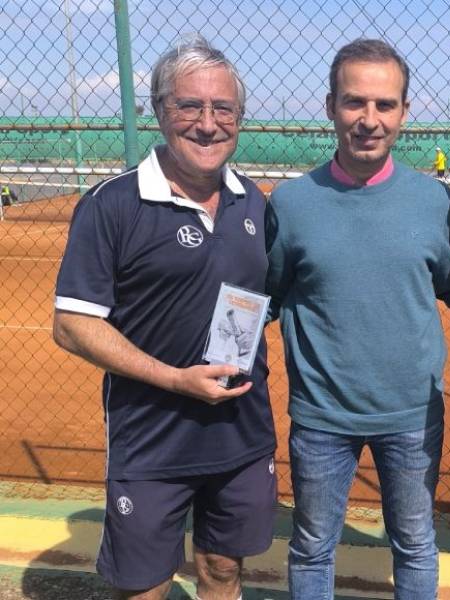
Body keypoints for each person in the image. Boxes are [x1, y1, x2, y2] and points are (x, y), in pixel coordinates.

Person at [52, 35, 277, 600]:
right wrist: (175, 379)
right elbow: (73, 325)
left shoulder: (254, 201)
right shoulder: (111, 204)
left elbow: (264, 298)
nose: (208, 124)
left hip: (240, 432)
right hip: (151, 440)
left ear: (239, 117)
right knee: (144, 588)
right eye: (189, 106)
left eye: (223, 108)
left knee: (223, 569)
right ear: (159, 110)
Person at [265, 38, 450, 600]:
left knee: (415, 544)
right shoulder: (291, 203)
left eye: (385, 104)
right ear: (331, 106)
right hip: (322, 415)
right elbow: (265, 296)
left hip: (412, 413)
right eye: (355, 101)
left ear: (404, 112)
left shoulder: (434, 202)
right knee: (312, 547)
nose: (369, 119)